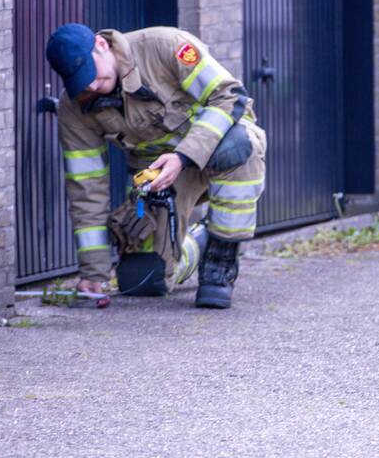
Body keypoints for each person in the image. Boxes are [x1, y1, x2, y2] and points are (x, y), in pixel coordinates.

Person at [45, 23, 267, 309]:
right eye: (78, 82)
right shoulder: (75, 108)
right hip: (160, 180)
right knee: (143, 280)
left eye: (92, 74)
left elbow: (230, 97)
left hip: (216, 148)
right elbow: (87, 190)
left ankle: (220, 262)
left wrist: (182, 156)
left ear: (101, 45)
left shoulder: (165, 46)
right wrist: (93, 273)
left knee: (236, 147)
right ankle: (200, 242)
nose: (90, 86)